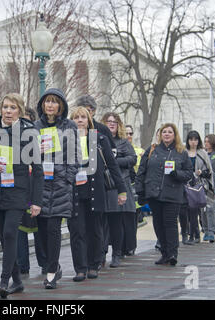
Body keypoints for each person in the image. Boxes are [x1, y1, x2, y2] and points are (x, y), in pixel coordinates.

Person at [0, 94, 43, 298]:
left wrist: (36, 201)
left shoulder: (28, 132)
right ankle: (17, 281)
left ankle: (3, 280)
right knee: (4, 238)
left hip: (18, 191)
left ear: (20, 110)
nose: (8, 111)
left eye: (13, 107)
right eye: (5, 107)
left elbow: (37, 169)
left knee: (10, 234)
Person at [68, 108, 126, 281]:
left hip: (95, 191)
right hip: (74, 192)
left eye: (83, 117)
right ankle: (80, 268)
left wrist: (121, 190)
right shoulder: (67, 140)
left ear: (89, 119)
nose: (79, 120)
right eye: (76, 117)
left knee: (95, 230)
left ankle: (94, 265)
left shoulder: (100, 139)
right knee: (77, 231)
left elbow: (113, 165)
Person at [34, 88, 79, 289]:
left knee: (53, 229)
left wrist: (67, 178)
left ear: (61, 105)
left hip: (60, 185)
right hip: (40, 184)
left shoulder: (69, 126)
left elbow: (76, 155)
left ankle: (51, 273)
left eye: (54, 102)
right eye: (47, 102)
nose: (50, 105)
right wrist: (36, 150)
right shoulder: (34, 127)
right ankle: (54, 265)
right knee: (42, 230)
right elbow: (25, 155)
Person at [135, 123, 193, 266]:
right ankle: (164, 253)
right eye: (164, 132)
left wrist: (177, 174)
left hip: (172, 194)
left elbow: (189, 173)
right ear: (160, 135)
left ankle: (173, 253)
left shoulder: (181, 152)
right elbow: (141, 171)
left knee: (170, 223)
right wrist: (140, 191)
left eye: (170, 132)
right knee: (158, 224)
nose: (166, 134)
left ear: (175, 135)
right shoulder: (152, 150)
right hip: (154, 193)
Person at [74, 95, 115, 267]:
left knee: (97, 225)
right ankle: (83, 264)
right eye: (79, 114)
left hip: (97, 183)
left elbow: (111, 156)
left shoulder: (101, 131)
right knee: (80, 228)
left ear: (93, 112)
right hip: (77, 186)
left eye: (88, 112)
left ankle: (99, 255)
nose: (83, 117)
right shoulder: (70, 134)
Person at [101, 112, 136, 267]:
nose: (112, 124)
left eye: (115, 122)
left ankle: (116, 254)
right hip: (101, 186)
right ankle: (100, 255)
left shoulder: (123, 142)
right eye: (108, 121)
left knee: (115, 223)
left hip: (117, 185)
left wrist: (114, 161)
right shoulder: (99, 140)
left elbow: (132, 159)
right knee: (101, 225)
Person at [16, 107, 47, 277]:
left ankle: (44, 262)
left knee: (39, 227)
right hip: (19, 189)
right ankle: (22, 265)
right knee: (20, 228)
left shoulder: (40, 139)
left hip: (35, 187)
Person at [185, 130, 214, 245]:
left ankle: (195, 235)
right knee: (186, 212)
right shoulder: (183, 153)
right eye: (191, 139)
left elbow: (210, 171)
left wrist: (201, 172)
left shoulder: (203, 153)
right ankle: (187, 234)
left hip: (198, 186)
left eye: (195, 139)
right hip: (185, 185)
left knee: (195, 211)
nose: (193, 142)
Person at [203, 134, 215, 243]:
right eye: (205, 141)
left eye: (208, 141)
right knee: (203, 210)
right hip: (201, 186)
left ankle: (211, 232)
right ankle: (205, 230)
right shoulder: (202, 154)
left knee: (210, 208)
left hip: (211, 186)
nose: (206, 143)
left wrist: (210, 177)